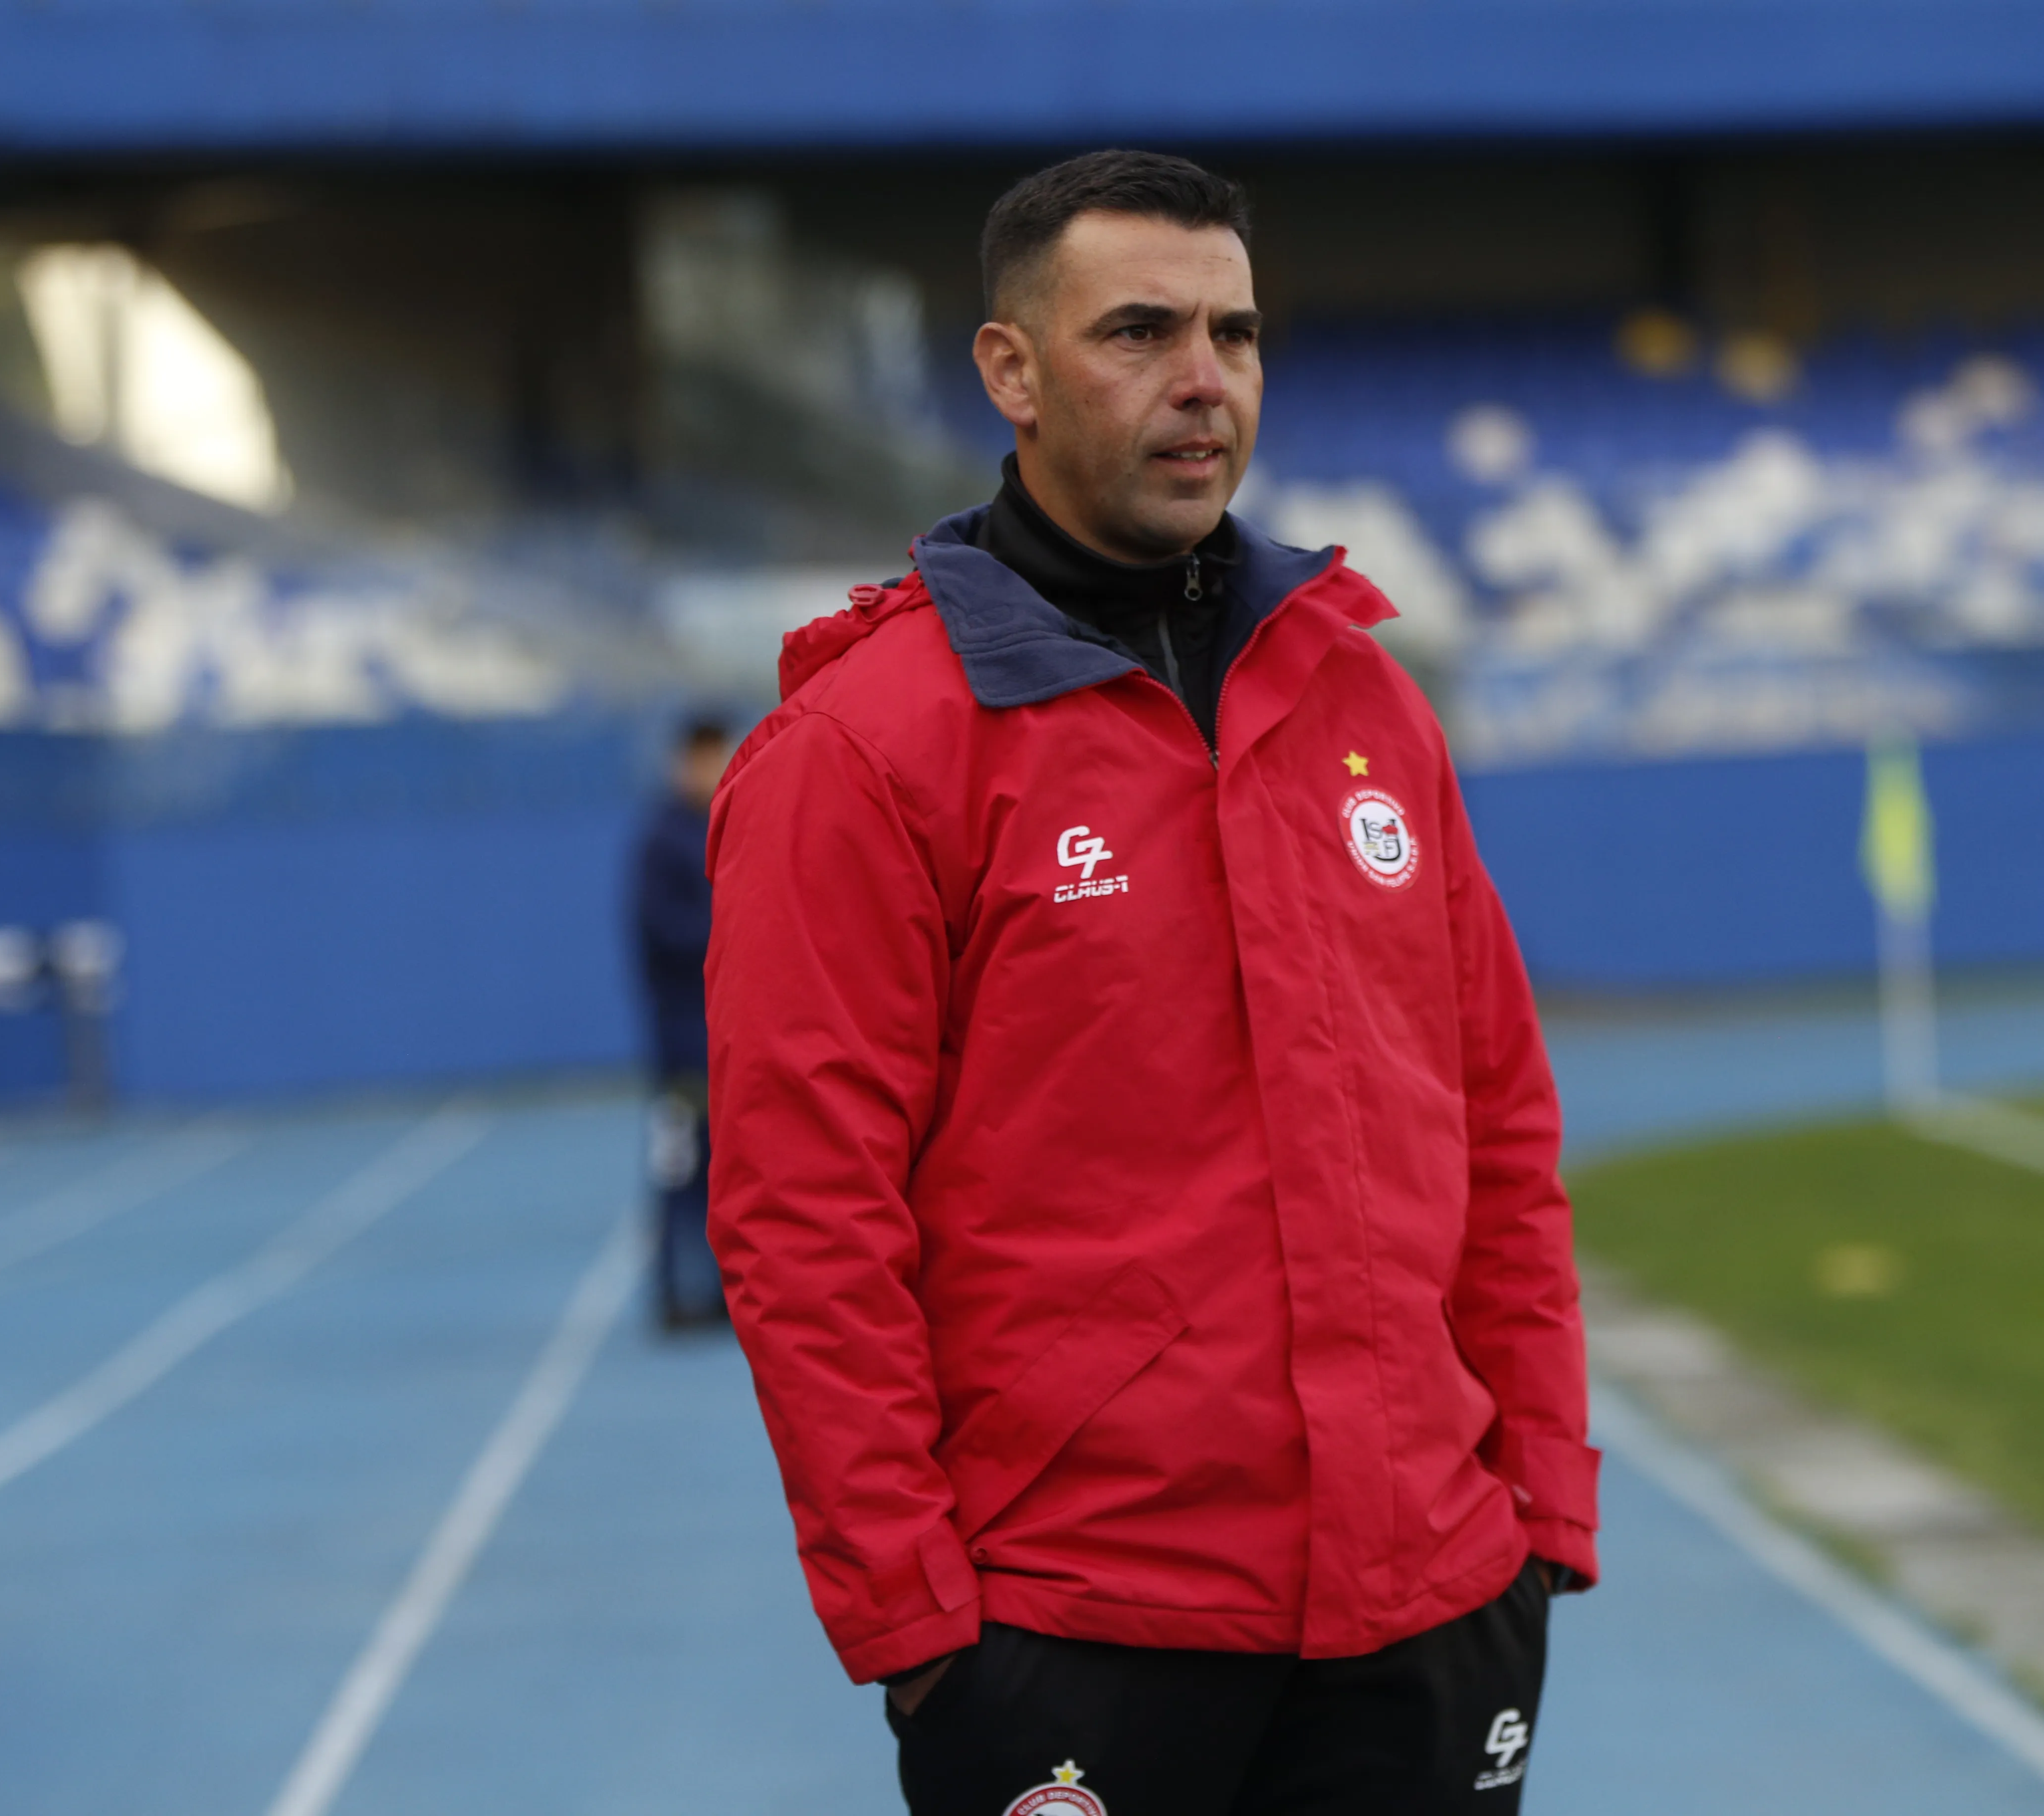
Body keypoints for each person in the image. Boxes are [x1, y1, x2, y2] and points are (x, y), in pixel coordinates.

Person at [705, 150, 1598, 1816]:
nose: (1203, 383)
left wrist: (1538, 1509)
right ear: (1011, 370)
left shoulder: (1363, 696)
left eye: (1235, 333)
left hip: (1432, 1598)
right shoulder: (862, 748)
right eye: (1138, 332)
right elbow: (804, 1214)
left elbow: (1497, 1126)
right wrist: (917, 1624)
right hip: (1076, 1628)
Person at [633, 714, 732, 1328]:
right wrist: (734, 931)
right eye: (704, 759)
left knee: (731, 1168)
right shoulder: (662, 841)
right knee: (676, 1168)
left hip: (728, 1036)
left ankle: (726, 1290)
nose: (713, 771)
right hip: (680, 1041)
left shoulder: (729, 823)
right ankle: (671, 1289)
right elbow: (662, 933)